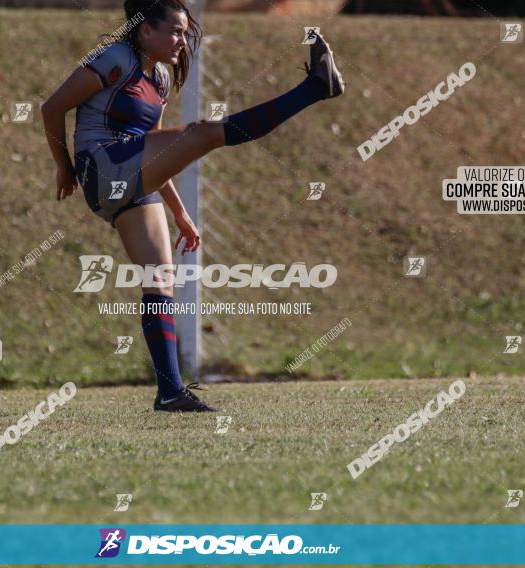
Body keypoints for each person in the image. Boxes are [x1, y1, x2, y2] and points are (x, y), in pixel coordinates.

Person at [41, 0, 345, 412]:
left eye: (185, 33)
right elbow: (52, 107)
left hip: (128, 181)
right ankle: (314, 88)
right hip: (103, 170)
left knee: (159, 280)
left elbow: (157, 152)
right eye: (175, 31)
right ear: (144, 30)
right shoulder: (116, 57)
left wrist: (180, 213)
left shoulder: (161, 78)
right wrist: (65, 168)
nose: (182, 41)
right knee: (204, 133)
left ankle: (170, 392)